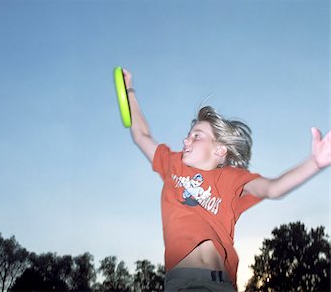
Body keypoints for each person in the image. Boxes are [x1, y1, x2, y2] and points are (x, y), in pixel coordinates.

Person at [122, 68, 331, 291]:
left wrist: (314, 163)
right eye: (188, 134)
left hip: (222, 285)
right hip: (182, 283)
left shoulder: (233, 179)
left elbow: (273, 188)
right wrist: (129, 90)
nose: (185, 140)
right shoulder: (172, 164)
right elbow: (141, 135)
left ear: (220, 150)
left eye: (196, 136)